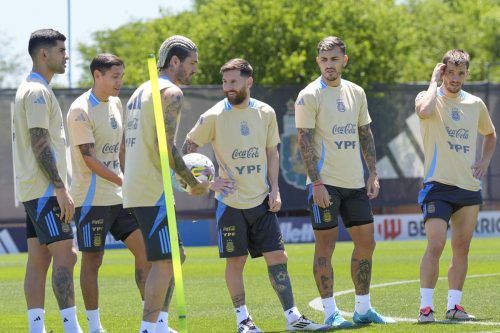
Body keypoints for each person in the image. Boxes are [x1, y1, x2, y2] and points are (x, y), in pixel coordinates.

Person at [182, 58, 326, 332]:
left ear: (249, 81)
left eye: (233, 81)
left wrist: (275, 189)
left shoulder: (266, 113)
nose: (228, 87)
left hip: (261, 201)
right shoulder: (212, 116)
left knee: (278, 257)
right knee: (236, 262)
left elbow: (272, 152)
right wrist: (211, 183)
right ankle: (243, 321)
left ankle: (294, 318)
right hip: (230, 204)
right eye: (225, 82)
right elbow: (188, 150)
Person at [295, 36, 396, 328]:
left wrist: (373, 173)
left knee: (367, 244)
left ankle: (363, 309)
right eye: (324, 60)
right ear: (318, 62)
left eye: (334, 59)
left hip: (355, 184)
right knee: (325, 247)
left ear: (344, 60)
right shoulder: (309, 94)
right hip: (324, 185)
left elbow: (365, 133)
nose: (329, 65)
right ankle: (330, 313)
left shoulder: (356, 92)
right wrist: (316, 183)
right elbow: (304, 141)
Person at [123, 35, 212, 333]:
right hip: (152, 190)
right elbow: (167, 148)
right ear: (174, 61)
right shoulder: (170, 92)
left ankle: (159, 323)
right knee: (164, 262)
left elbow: (124, 148)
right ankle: (148, 327)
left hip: (137, 187)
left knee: (176, 256)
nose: (195, 71)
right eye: (192, 64)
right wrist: (193, 184)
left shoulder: (139, 91)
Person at [66, 54, 155, 333]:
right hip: (92, 200)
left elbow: (121, 150)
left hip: (121, 197)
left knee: (146, 254)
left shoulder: (117, 103)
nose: (120, 82)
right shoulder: (80, 110)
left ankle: (149, 324)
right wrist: (123, 179)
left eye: (122, 76)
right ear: (97, 75)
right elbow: (89, 159)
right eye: (115, 76)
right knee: (93, 260)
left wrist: (130, 179)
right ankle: (94, 327)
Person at [415, 49, 496, 323]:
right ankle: (426, 308)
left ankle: (454, 307)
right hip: (437, 186)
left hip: (468, 189)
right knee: (436, 245)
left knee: (462, 248)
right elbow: (424, 111)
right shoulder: (429, 97)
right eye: (450, 72)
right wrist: (432, 81)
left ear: (467, 74)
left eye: (461, 73)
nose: (455, 78)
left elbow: (490, 133)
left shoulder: (475, 103)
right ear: (442, 71)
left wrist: (484, 160)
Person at [13, 29, 83, 333]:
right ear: (44, 54)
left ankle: (36, 328)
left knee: (39, 259)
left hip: (32, 188)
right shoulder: (38, 91)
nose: (66, 56)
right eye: (61, 50)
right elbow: (39, 140)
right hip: (44, 190)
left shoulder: (29, 88)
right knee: (67, 255)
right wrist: (59, 186)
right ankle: (71, 327)